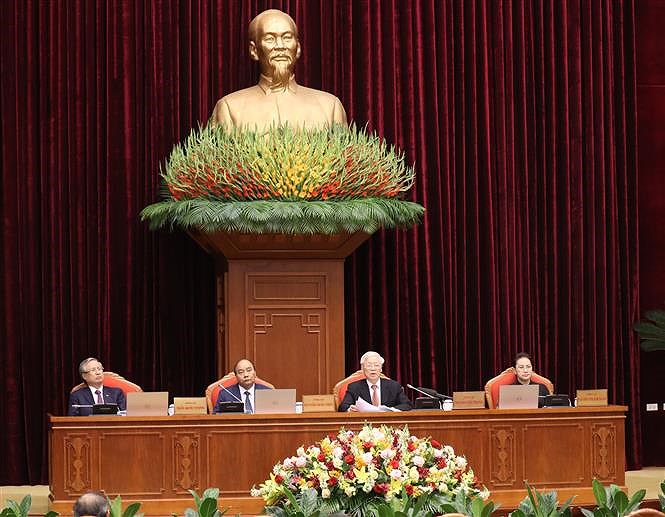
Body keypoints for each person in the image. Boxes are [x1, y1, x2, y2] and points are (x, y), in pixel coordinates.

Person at [209, 9, 347, 132]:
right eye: (270, 39)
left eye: (287, 37)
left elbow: (346, 159)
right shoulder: (230, 108)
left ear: (298, 48)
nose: (280, 46)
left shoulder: (330, 107)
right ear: (254, 50)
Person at [338, 351, 412, 412]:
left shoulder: (394, 386)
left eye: (376, 365)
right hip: (364, 425)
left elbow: (407, 404)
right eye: (369, 365)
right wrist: (350, 409)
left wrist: (391, 410)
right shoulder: (354, 387)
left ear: (381, 369)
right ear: (363, 369)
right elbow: (343, 406)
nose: (373, 369)